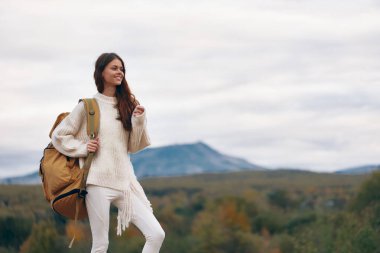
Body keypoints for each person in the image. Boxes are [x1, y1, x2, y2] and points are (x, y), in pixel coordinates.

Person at [51, 52, 165, 253]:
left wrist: (138, 121)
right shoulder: (88, 106)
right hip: (97, 183)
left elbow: (134, 147)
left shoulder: (128, 105)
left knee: (156, 234)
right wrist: (83, 148)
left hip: (125, 183)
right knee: (101, 245)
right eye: (114, 68)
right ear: (101, 72)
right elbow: (59, 135)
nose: (119, 72)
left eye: (121, 69)